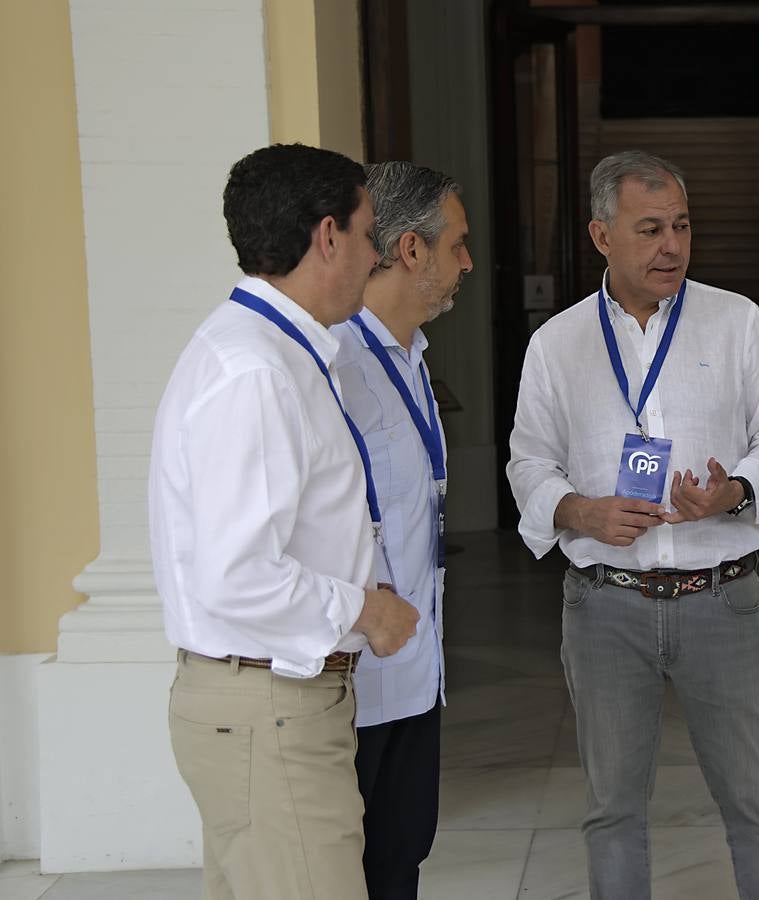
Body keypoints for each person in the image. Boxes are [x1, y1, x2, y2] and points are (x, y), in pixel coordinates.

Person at [506, 150, 759, 900]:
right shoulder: (558, 343)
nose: (671, 245)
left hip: (721, 599)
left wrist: (733, 491)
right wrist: (581, 510)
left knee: (757, 804)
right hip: (605, 604)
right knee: (611, 810)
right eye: (649, 229)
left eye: (680, 225)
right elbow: (527, 464)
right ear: (601, 236)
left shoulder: (736, 321)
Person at [149, 143, 420, 900]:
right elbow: (237, 576)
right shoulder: (257, 373)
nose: (375, 256)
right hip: (269, 712)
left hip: (269, 706)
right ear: (327, 236)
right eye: (369, 234)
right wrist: (366, 608)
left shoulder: (271, 353)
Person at [329, 161, 472, 900]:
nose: (466, 264)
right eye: (456, 244)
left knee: (401, 857)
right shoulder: (334, 362)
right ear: (411, 250)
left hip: (415, 673)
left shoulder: (412, 359)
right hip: (350, 682)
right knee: (347, 874)